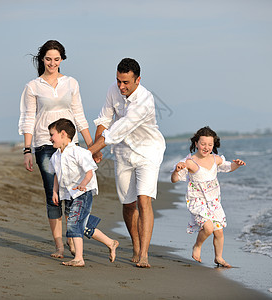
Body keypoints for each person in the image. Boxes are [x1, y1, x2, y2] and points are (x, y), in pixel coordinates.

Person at [18, 40, 93, 258]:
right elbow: (28, 118)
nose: (52, 63)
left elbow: (79, 115)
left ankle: (72, 236)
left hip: (71, 145)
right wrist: (27, 150)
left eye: (56, 59)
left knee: (72, 192)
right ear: (42, 59)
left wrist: (90, 145)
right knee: (53, 194)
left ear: (62, 59)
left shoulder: (71, 83)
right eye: (48, 58)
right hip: (44, 144)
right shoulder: (33, 86)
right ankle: (59, 245)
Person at [88, 58, 166, 268]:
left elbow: (118, 128)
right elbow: (104, 120)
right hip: (123, 152)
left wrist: (88, 153)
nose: (121, 86)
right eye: (118, 81)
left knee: (143, 200)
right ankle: (136, 245)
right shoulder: (113, 89)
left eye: (126, 82)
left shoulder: (145, 100)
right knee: (128, 203)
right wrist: (96, 151)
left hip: (148, 151)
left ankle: (144, 254)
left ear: (138, 80)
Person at [171, 126, 245, 268]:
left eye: (209, 144)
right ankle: (197, 246)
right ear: (196, 143)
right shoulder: (190, 162)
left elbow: (228, 167)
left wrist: (237, 164)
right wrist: (177, 170)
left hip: (214, 201)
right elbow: (174, 179)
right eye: (203, 144)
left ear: (214, 145)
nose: (206, 147)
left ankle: (219, 257)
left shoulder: (216, 159)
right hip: (198, 201)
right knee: (209, 228)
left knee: (219, 232)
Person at [48, 118, 119, 267]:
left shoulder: (78, 152)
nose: (50, 138)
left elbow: (89, 172)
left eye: (52, 134)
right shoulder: (55, 156)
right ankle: (111, 243)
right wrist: (55, 192)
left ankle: (79, 258)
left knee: (74, 222)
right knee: (83, 224)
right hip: (68, 195)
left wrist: (82, 184)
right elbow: (56, 175)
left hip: (83, 193)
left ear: (63, 134)